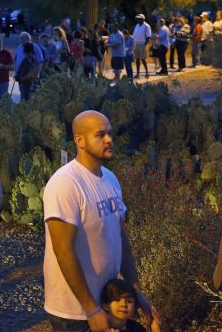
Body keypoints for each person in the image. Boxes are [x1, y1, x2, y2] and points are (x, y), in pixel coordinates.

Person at [43, 110, 158, 332]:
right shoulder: (65, 184)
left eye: (110, 133)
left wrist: (135, 292)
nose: (109, 140)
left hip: (105, 304)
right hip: (75, 312)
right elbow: (63, 250)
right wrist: (90, 309)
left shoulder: (110, 179)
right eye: (100, 135)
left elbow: (120, 237)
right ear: (80, 140)